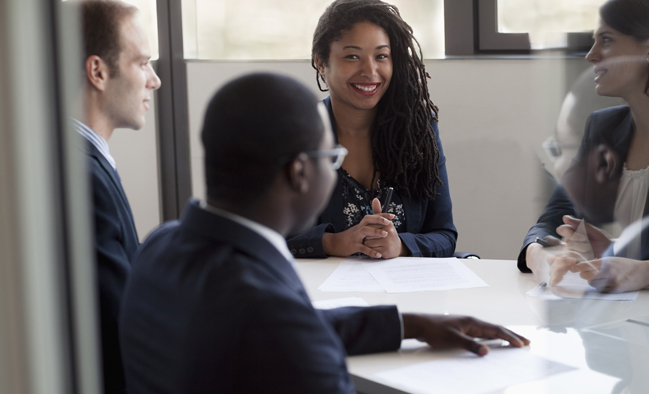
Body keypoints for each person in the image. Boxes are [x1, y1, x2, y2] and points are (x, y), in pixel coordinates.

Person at [119, 73, 529, 393]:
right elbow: (284, 330)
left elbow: (293, 325)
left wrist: (414, 325)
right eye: (331, 158)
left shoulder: (159, 245)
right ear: (299, 172)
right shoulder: (268, 315)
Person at [519, 0, 649, 292]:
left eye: (606, 40)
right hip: (624, 320)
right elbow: (553, 220)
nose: (591, 56)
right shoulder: (603, 128)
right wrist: (541, 256)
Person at [287, 0, 457, 260]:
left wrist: (399, 245)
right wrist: (332, 243)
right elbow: (269, 235)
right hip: (323, 294)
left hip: (406, 294)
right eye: (352, 56)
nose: (370, 71)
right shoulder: (296, 135)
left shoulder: (418, 132)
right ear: (321, 63)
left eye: (381, 56)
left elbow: (444, 235)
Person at [74, 1, 161, 392]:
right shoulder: (83, 177)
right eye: (143, 63)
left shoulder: (88, 160)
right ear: (98, 71)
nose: (154, 80)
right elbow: (118, 325)